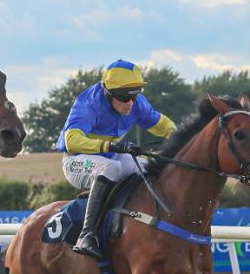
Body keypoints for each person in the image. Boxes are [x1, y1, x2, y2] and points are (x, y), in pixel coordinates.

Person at [55, 60, 177, 259]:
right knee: (110, 168)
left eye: (134, 96)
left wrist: (181, 139)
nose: (130, 103)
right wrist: (107, 146)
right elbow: (72, 140)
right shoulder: (89, 104)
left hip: (111, 157)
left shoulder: (136, 104)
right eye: (123, 97)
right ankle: (86, 235)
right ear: (107, 92)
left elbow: (161, 125)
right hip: (76, 161)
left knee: (149, 168)